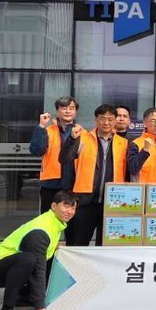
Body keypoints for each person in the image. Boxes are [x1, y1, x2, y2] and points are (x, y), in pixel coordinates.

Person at [0, 191, 78, 310]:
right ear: (53, 206)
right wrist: (40, 307)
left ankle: (23, 296)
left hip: (14, 267)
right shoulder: (41, 230)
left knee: (46, 257)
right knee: (29, 259)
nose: (70, 211)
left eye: (73, 208)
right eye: (66, 206)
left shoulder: (54, 222)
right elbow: (38, 269)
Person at [59, 104, 128, 246]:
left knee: (105, 245)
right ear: (96, 120)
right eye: (103, 118)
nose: (106, 122)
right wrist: (71, 139)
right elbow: (64, 159)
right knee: (79, 243)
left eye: (110, 119)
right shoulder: (83, 138)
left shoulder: (124, 143)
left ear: (115, 121)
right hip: (85, 202)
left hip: (112, 203)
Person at [29, 96, 79, 213]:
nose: (67, 111)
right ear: (57, 111)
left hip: (75, 185)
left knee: (72, 222)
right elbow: (36, 150)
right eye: (64, 108)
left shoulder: (82, 132)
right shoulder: (47, 131)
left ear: (75, 111)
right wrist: (41, 126)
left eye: (71, 108)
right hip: (51, 185)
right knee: (49, 219)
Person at [127, 108, 156, 183]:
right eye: (153, 121)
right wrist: (144, 150)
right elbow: (132, 169)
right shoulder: (135, 143)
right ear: (145, 123)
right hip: (143, 188)